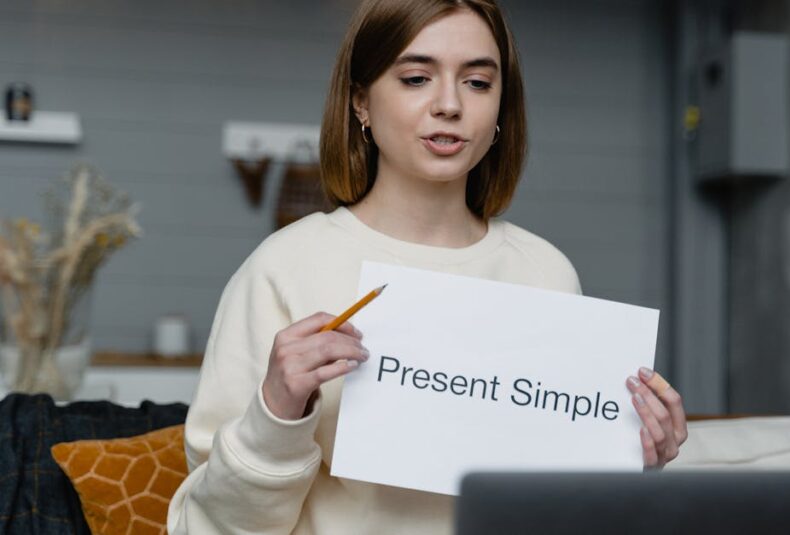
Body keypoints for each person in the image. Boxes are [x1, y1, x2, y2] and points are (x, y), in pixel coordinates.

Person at [166, 0, 687, 532]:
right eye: (416, 78)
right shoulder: (283, 268)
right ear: (360, 102)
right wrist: (275, 412)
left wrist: (631, 463)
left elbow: (558, 504)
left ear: (502, 108)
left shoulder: (546, 273)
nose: (449, 104)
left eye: (478, 83)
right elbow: (204, 527)